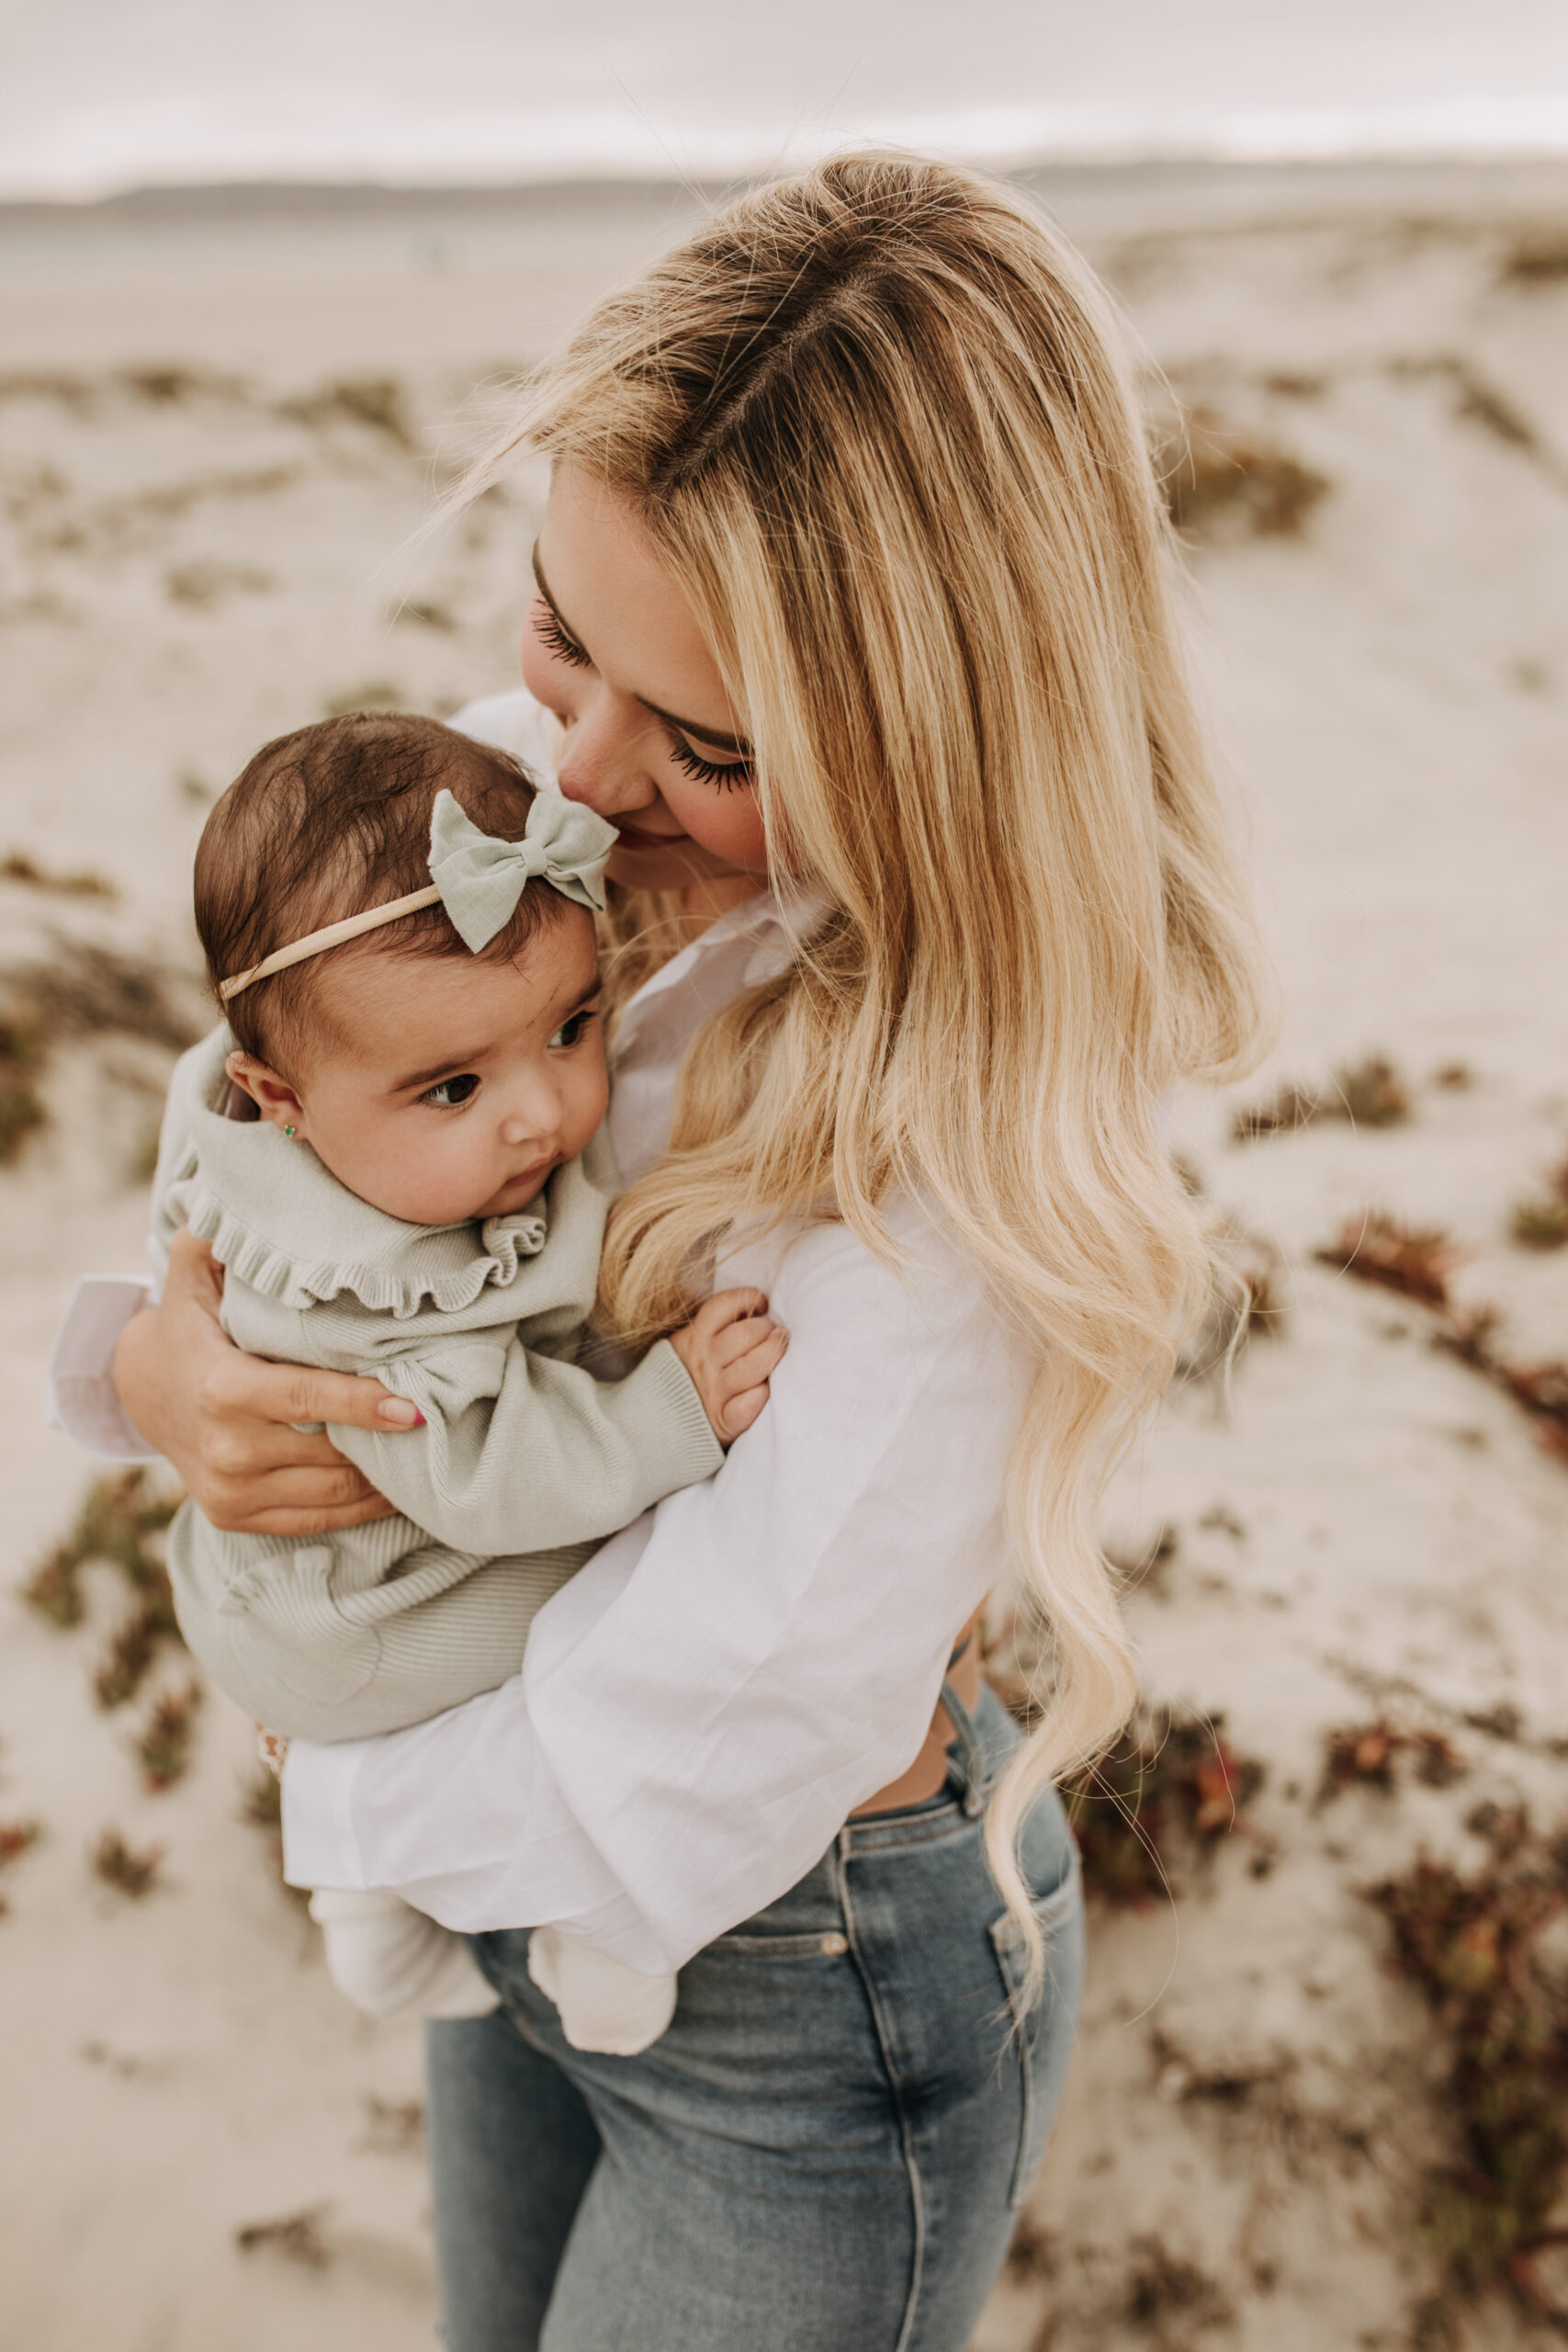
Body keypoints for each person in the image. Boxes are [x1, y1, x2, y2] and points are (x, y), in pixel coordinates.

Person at [53, 153, 1269, 2349]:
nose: (569, 765)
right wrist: (157, 1368)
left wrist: (344, 1773)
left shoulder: (952, 1110)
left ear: (935, 752)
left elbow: (742, 1682)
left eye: (707, 743)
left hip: (791, 1979)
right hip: (499, 1883)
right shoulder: (560, 780)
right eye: (554, 627)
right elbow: (275, 1063)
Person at [152, 709, 782, 2043]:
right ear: (281, 1099)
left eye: (571, 1027)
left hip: (279, 1593)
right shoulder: (367, 1295)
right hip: (373, 1615)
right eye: (452, 1089)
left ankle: (364, 1902)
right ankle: (589, 1920)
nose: (539, 1113)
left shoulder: (302, 1125)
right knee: (607, 1587)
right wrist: (664, 1413)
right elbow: (497, 1477)